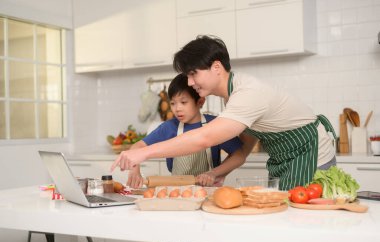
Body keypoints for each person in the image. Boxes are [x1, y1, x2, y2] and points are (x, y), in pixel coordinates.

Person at [111, 35, 336, 191]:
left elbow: (204, 137)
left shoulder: (246, 93)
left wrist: (144, 153)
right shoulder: (232, 94)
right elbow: (247, 144)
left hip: (309, 152)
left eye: (193, 74)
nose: (190, 82)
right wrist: (219, 172)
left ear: (216, 67)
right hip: (285, 158)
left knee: (304, 223)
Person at [118, 73, 245, 189]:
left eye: (183, 102)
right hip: (176, 193)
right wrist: (135, 170)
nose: (177, 109)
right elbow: (138, 146)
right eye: (173, 103)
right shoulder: (169, 127)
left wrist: (213, 173)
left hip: (209, 192)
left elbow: (239, 156)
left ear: (200, 101)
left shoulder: (215, 124)